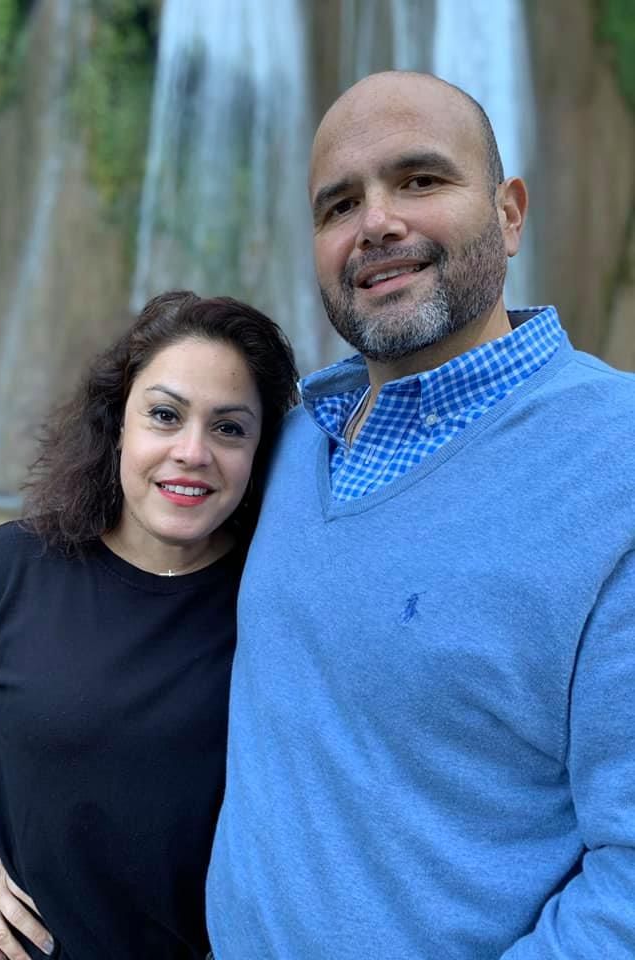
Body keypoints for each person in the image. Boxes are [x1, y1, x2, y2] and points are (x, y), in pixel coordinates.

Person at [206, 71, 635, 958]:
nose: (377, 224)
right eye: (338, 205)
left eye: (421, 180)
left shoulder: (615, 464)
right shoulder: (283, 444)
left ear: (512, 214)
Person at [0, 291, 298, 960]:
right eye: (164, 416)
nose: (193, 452)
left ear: (260, 454)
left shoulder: (273, 600)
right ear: (118, 426)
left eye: (229, 428)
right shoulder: (15, 569)